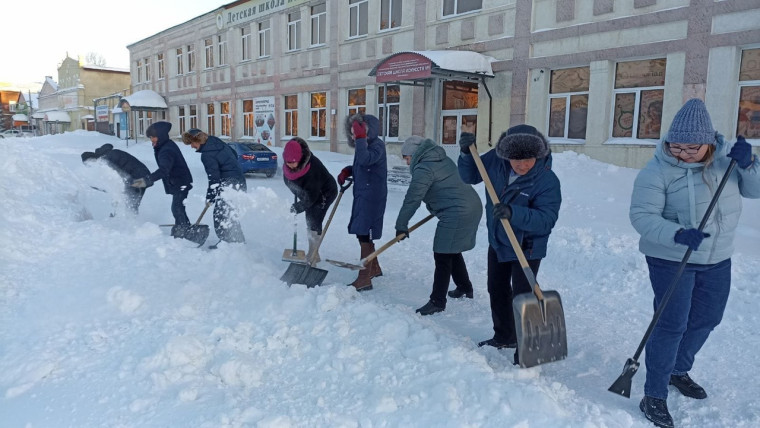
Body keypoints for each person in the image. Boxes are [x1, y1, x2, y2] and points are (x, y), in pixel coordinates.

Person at [629, 98, 759, 428]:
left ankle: (677, 369)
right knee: (671, 324)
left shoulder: (727, 159)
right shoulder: (657, 169)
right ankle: (654, 394)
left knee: (707, 318)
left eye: (692, 148)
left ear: (709, 143)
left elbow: (755, 190)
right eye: (676, 146)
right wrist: (678, 234)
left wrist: (749, 165)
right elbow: (642, 216)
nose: (683, 153)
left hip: (717, 257)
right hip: (672, 257)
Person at [458, 124, 561, 357]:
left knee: (523, 297)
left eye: (527, 159)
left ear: (538, 155)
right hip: (498, 240)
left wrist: (514, 213)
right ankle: (504, 336)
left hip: (527, 246)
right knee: (496, 288)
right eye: (515, 159)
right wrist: (466, 153)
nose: (521, 165)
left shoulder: (547, 180)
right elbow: (469, 175)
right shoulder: (496, 161)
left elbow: (546, 220)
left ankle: (527, 349)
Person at [395, 136, 482, 315]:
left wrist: (401, 225)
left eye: (406, 157)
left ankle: (437, 301)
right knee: (451, 249)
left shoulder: (423, 167)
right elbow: (446, 187)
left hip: (457, 212)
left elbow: (412, 198)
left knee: (442, 254)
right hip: (471, 205)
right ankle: (464, 287)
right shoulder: (440, 158)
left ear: (414, 154)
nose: (406, 162)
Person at [336, 113, 388, 291]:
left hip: (372, 197)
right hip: (363, 195)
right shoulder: (365, 145)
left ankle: (364, 278)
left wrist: (360, 138)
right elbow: (362, 165)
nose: (353, 137)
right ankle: (374, 268)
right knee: (362, 232)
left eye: (355, 133)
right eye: (352, 134)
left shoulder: (377, 146)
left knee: (365, 233)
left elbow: (366, 159)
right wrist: (348, 171)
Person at [131, 121, 195, 241]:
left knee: (177, 208)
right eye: (150, 137)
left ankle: (183, 231)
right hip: (179, 181)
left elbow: (164, 170)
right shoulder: (165, 145)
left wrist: (147, 180)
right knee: (178, 207)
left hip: (180, 182)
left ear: (160, 135)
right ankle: (184, 228)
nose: (151, 140)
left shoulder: (166, 150)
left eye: (153, 137)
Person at [181, 128, 247, 244]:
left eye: (192, 143)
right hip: (239, 182)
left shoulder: (207, 155)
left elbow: (214, 179)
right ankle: (237, 241)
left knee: (221, 215)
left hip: (228, 184)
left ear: (198, 140)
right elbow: (234, 154)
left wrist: (210, 197)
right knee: (230, 214)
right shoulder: (216, 142)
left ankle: (228, 243)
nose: (191, 146)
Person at [282, 137, 338, 264]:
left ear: (300, 158)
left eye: (293, 162)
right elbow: (291, 182)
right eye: (288, 162)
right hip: (309, 193)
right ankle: (314, 253)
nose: (290, 165)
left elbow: (312, 196)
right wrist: (298, 192)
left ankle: (313, 255)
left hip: (324, 192)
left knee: (313, 220)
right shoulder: (289, 166)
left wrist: (300, 206)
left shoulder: (313, 169)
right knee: (310, 218)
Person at [81, 143, 150, 214]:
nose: (91, 166)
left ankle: (128, 221)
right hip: (144, 177)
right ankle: (128, 219)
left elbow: (120, 176)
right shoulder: (108, 155)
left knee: (129, 201)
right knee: (129, 201)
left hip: (142, 179)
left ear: (91, 158)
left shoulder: (107, 159)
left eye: (89, 163)